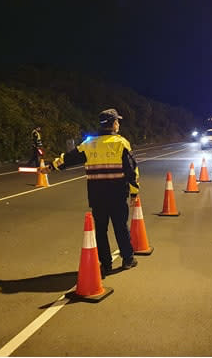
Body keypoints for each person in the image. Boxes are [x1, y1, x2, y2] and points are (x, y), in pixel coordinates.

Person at [42, 108, 139, 278]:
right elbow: (131, 170)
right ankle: (127, 259)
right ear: (114, 124)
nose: (118, 124)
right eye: (117, 121)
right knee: (121, 227)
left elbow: (69, 158)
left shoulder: (89, 144)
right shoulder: (121, 143)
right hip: (117, 195)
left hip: (97, 196)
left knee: (100, 231)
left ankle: (106, 264)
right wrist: (134, 193)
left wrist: (51, 166)